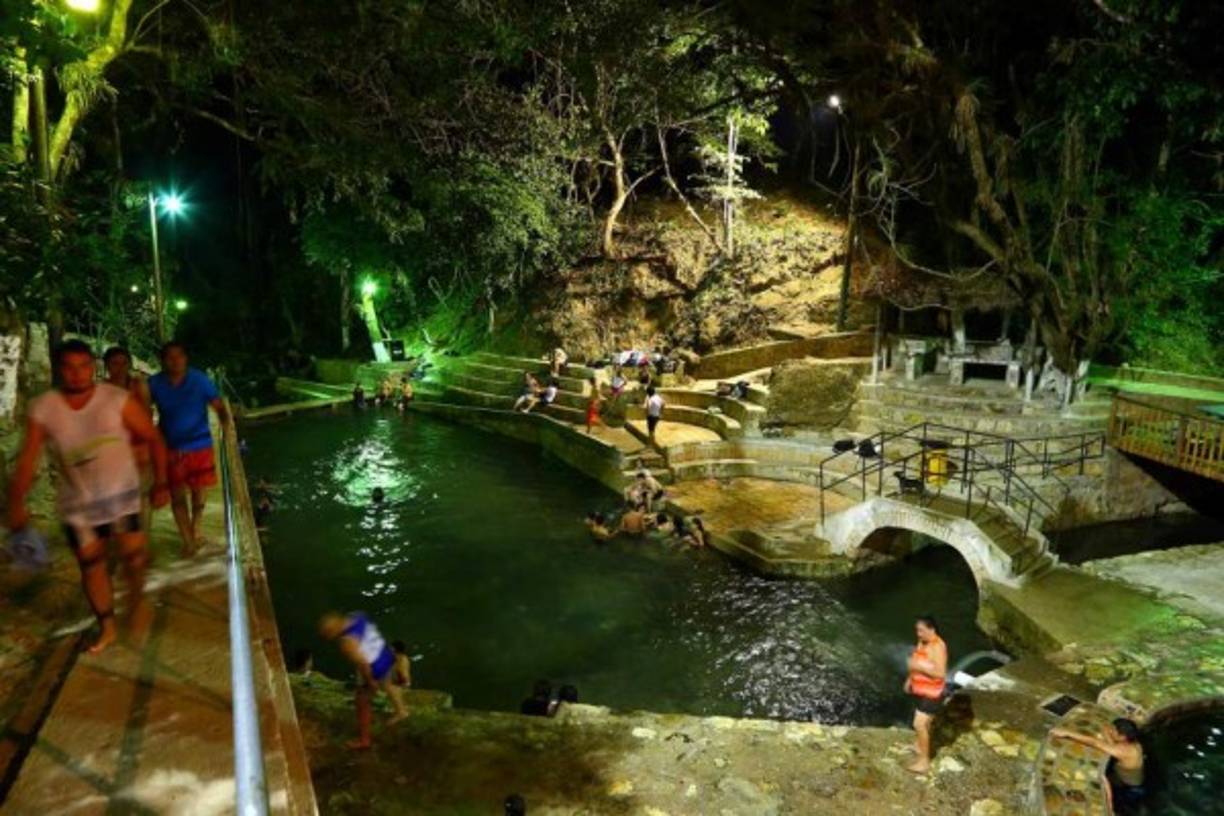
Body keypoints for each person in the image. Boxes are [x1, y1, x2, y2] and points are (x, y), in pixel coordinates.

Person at [7, 340, 170, 654]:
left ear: (93, 367)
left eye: (83, 366)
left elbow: (153, 437)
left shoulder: (117, 399)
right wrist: (17, 502)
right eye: (69, 367)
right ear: (59, 370)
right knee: (91, 565)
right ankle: (107, 626)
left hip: (121, 497)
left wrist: (161, 482)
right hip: (78, 505)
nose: (77, 374)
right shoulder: (44, 408)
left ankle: (137, 599)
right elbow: (29, 458)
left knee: (134, 560)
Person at [147, 341, 229, 556]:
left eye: (179, 356)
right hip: (172, 448)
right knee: (177, 495)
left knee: (198, 490)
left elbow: (219, 406)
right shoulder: (154, 384)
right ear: (162, 361)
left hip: (200, 446)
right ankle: (187, 539)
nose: (175, 361)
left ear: (186, 358)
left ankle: (197, 526)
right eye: (169, 357)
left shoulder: (200, 380)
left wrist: (227, 431)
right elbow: (141, 409)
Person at [318, 611, 409, 749]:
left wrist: (371, 681)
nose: (329, 638)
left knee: (362, 702)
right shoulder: (357, 616)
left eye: (328, 635)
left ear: (333, 630)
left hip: (375, 668)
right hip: (386, 655)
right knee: (390, 684)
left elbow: (363, 664)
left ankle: (364, 741)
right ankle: (401, 711)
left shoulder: (347, 641)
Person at [104, 346, 155, 533]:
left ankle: (142, 543)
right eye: (114, 363)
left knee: (141, 498)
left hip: (138, 450)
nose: (119, 367)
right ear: (107, 366)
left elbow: (147, 415)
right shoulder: (102, 389)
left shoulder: (138, 386)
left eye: (124, 363)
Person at [1051, 719, 1145, 813]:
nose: (1111, 731)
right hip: (1130, 781)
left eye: (1114, 731)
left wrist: (1067, 733)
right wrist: (1108, 733)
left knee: (1118, 809)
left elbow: (1095, 743)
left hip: (1130, 789)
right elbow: (1112, 746)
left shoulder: (1124, 751)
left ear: (1123, 736)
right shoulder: (1134, 744)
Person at [903, 614, 948, 774]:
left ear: (932, 629)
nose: (918, 634)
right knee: (924, 723)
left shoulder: (937, 647)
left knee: (919, 724)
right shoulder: (923, 641)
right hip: (921, 690)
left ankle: (924, 762)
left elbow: (940, 673)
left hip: (933, 693)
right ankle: (918, 746)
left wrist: (918, 667)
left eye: (921, 630)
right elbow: (917, 659)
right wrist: (910, 679)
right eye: (917, 630)